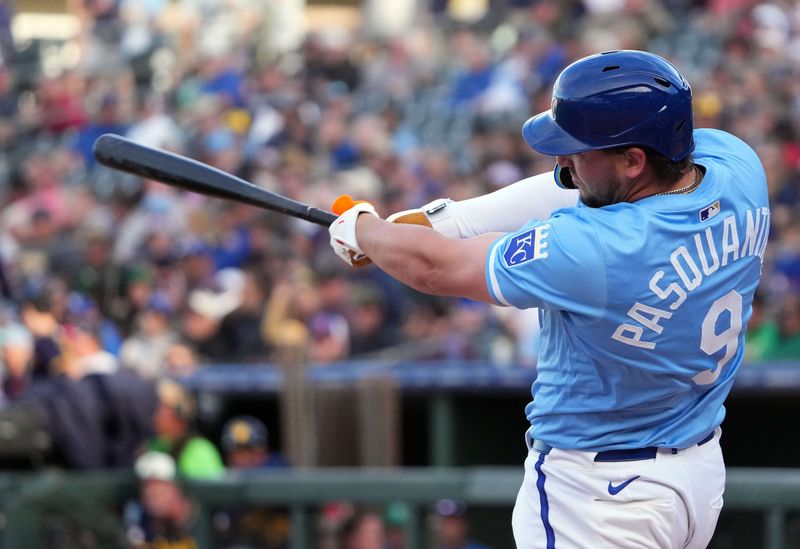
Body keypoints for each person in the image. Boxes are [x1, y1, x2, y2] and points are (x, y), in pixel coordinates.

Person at [329, 50, 770, 548]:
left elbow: (435, 268)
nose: (563, 160)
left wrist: (363, 228)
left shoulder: (594, 249)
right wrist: (451, 220)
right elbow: (575, 187)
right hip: (697, 474)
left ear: (633, 160)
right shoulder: (738, 167)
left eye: (579, 149)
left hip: (597, 498)